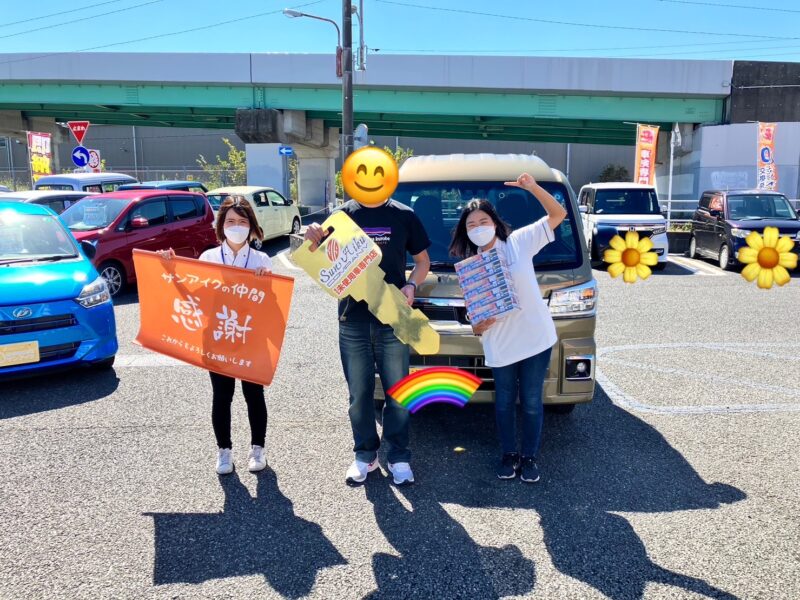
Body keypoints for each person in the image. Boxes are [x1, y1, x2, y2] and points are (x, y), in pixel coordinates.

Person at [448, 173, 567, 483]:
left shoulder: (519, 243)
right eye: (471, 225)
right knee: (502, 401)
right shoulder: (469, 266)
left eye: (483, 220)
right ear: (465, 232)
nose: (478, 228)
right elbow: (473, 317)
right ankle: (508, 454)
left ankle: (529, 457)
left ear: (495, 222)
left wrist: (533, 188)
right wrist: (478, 326)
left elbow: (558, 215)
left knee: (530, 400)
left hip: (535, 337)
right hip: (499, 341)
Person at [304, 198, 431, 486]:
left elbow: (423, 262)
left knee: (398, 395)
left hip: (394, 318)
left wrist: (411, 285)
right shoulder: (342, 215)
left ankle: (399, 456)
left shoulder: (404, 215)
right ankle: (365, 455)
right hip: (353, 320)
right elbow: (317, 257)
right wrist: (312, 235)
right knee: (359, 396)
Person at [158, 195, 272, 475]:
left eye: (242, 221)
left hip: (250, 336)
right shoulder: (208, 258)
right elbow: (190, 295)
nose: (236, 226)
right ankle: (224, 451)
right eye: (231, 221)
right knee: (222, 396)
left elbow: (274, 307)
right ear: (221, 225)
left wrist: (266, 283)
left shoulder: (261, 259)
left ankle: (258, 448)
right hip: (218, 335)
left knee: (253, 393)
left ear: (251, 226)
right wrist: (170, 267)